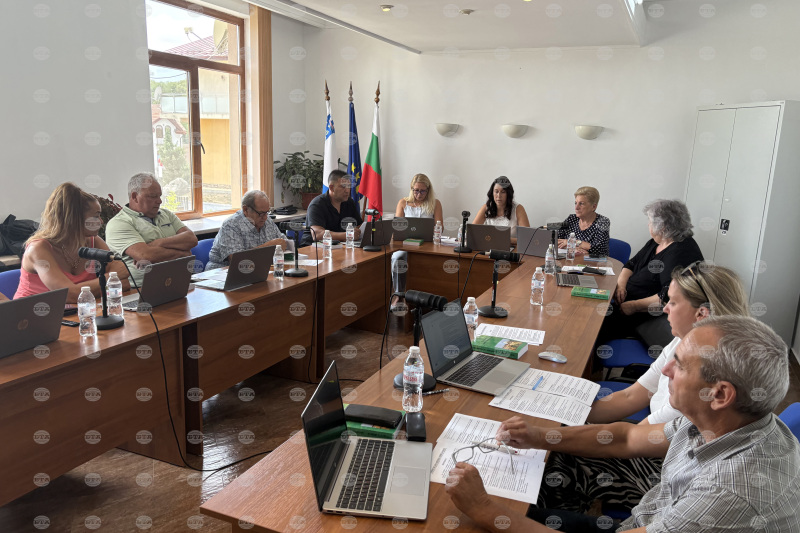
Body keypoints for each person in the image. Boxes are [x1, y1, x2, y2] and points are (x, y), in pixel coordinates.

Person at [446, 315, 799, 533]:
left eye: (680, 364)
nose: (666, 369)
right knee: (548, 473)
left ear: (720, 394)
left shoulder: (729, 493)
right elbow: (627, 438)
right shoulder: (725, 419)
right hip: (650, 518)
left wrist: (484, 508)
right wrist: (542, 435)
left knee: (481, 520)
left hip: (655, 522)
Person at [537, 264, 750, 515]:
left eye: (673, 302)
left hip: (666, 471)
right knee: (565, 433)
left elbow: (632, 439)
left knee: (561, 459)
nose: (664, 308)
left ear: (701, 314)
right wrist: (564, 411)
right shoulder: (683, 339)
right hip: (647, 438)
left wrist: (552, 432)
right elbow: (632, 395)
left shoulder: (708, 375)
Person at [600, 199, 703, 342]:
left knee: (595, 327)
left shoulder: (680, 253)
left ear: (662, 227)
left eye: (650, 221)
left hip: (642, 315)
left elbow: (668, 297)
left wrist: (634, 306)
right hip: (624, 303)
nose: (648, 225)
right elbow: (631, 263)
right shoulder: (658, 241)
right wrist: (621, 285)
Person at [14, 183, 129, 305]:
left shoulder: (93, 241)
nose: (101, 221)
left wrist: (86, 290)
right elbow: (69, 295)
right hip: (33, 314)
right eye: (96, 216)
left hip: (79, 312)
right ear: (74, 218)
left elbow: (124, 282)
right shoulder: (38, 249)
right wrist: (110, 277)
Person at [106, 172, 198, 287]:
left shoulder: (166, 214)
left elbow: (191, 239)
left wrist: (158, 243)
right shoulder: (119, 223)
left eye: (159, 196)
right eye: (153, 196)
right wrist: (183, 254)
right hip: (141, 288)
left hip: (178, 281)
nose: (159, 201)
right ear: (134, 197)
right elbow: (146, 256)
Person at [391, 174, 444, 309]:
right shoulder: (403, 203)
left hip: (427, 245)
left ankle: (426, 299)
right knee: (397, 257)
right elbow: (397, 228)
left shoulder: (435, 203)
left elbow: (440, 227)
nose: (419, 194)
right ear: (411, 189)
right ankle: (399, 295)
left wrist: (435, 229)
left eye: (422, 191)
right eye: (416, 190)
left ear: (428, 190)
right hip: (405, 244)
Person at [205, 190, 289, 271]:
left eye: (267, 212)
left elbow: (284, 243)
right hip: (222, 272)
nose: (265, 217)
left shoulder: (267, 220)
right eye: (261, 213)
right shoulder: (231, 225)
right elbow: (237, 260)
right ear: (245, 210)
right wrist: (270, 247)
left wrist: (285, 244)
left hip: (258, 269)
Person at [301, 170, 363, 247]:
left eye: (348, 186)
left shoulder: (349, 202)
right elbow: (317, 235)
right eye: (343, 186)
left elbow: (359, 226)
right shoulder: (317, 204)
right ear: (331, 188)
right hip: (312, 248)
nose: (347, 190)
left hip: (338, 246)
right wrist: (347, 235)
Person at [472, 176, 530, 245]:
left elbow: (527, 238)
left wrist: (504, 239)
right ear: (492, 193)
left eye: (503, 192)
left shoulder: (518, 209)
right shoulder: (486, 208)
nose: (499, 196)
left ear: (508, 194)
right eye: (496, 191)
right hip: (489, 247)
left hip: (511, 248)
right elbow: (472, 232)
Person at [556, 186, 610, 257]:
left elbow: (599, 248)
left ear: (593, 207)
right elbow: (555, 241)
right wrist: (573, 248)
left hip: (595, 262)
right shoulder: (571, 219)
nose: (576, 208)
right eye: (575, 203)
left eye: (581, 204)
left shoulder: (603, 222)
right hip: (572, 261)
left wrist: (573, 242)